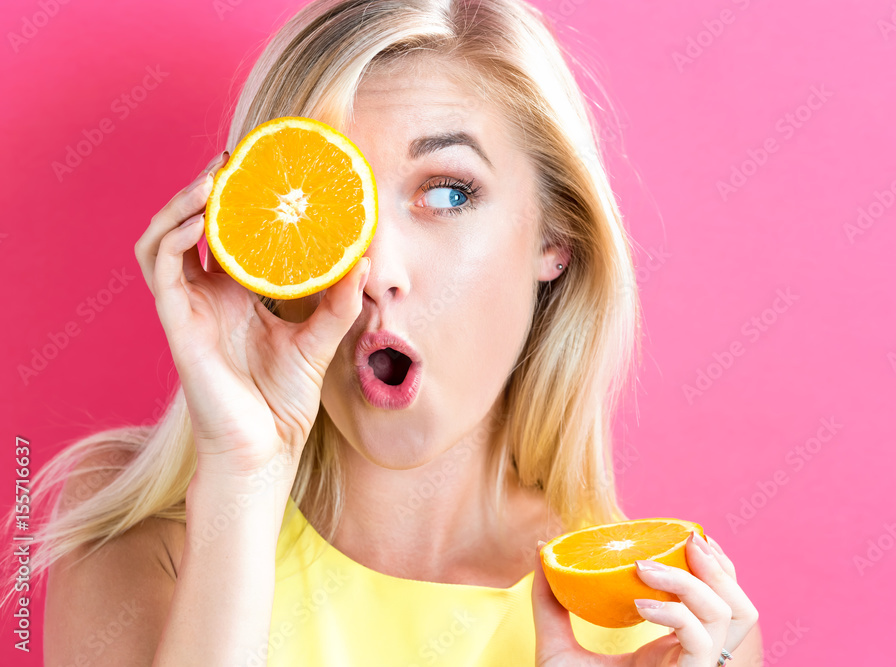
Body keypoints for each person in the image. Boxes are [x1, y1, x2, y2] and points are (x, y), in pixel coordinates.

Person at [17, 0, 762, 664]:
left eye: (446, 192)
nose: (375, 268)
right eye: (335, 204)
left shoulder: (663, 625)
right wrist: (244, 475)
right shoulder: (139, 541)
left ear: (555, 237)